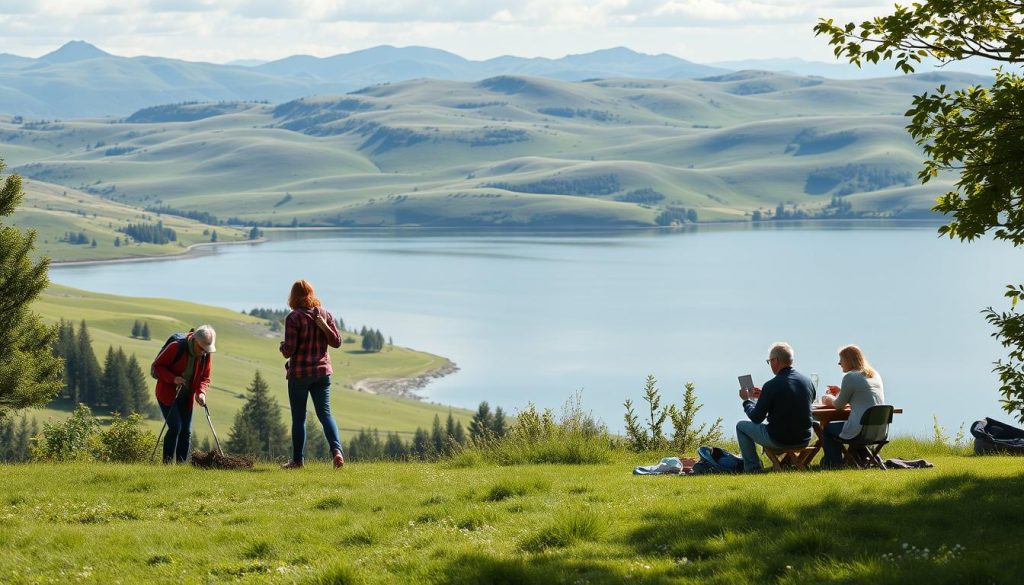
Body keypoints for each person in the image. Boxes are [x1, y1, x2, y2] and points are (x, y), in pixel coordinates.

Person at [279, 279, 345, 469]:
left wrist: (282, 348)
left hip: (299, 374)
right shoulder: (325, 314)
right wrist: (323, 326)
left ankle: (297, 461)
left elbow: (289, 349)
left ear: (293, 296)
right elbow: (337, 342)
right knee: (325, 415)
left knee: (299, 418)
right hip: (322, 373)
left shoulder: (293, 318)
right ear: (311, 294)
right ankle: (337, 452)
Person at [736, 341, 814, 472]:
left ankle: (753, 468)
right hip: (804, 439)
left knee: (740, 426)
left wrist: (746, 401)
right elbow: (794, 403)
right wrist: (764, 396)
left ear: (776, 360)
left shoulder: (771, 385)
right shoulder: (807, 382)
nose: (770, 364)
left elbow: (756, 418)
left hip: (779, 439)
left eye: (769, 361)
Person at [152, 325, 216, 464]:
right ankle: (166, 465)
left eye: (207, 350)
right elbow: (157, 367)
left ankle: (180, 466)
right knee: (176, 427)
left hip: (186, 397)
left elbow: (204, 377)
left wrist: (201, 393)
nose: (204, 353)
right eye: (202, 349)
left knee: (186, 432)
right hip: (168, 394)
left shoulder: (205, 354)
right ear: (194, 341)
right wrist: (173, 378)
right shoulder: (176, 347)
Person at [820, 344, 885, 468]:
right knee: (840, 425)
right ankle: (856, 459)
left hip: (860, 430)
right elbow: (863, 397)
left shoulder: (850, 377)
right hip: (878, 430)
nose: (839, 363)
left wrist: (827, 399)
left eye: (841, 359)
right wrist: (841, 391)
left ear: (849, 360)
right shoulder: (874, 374)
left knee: (827, 428)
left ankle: (833, 463)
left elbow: (838, 405)